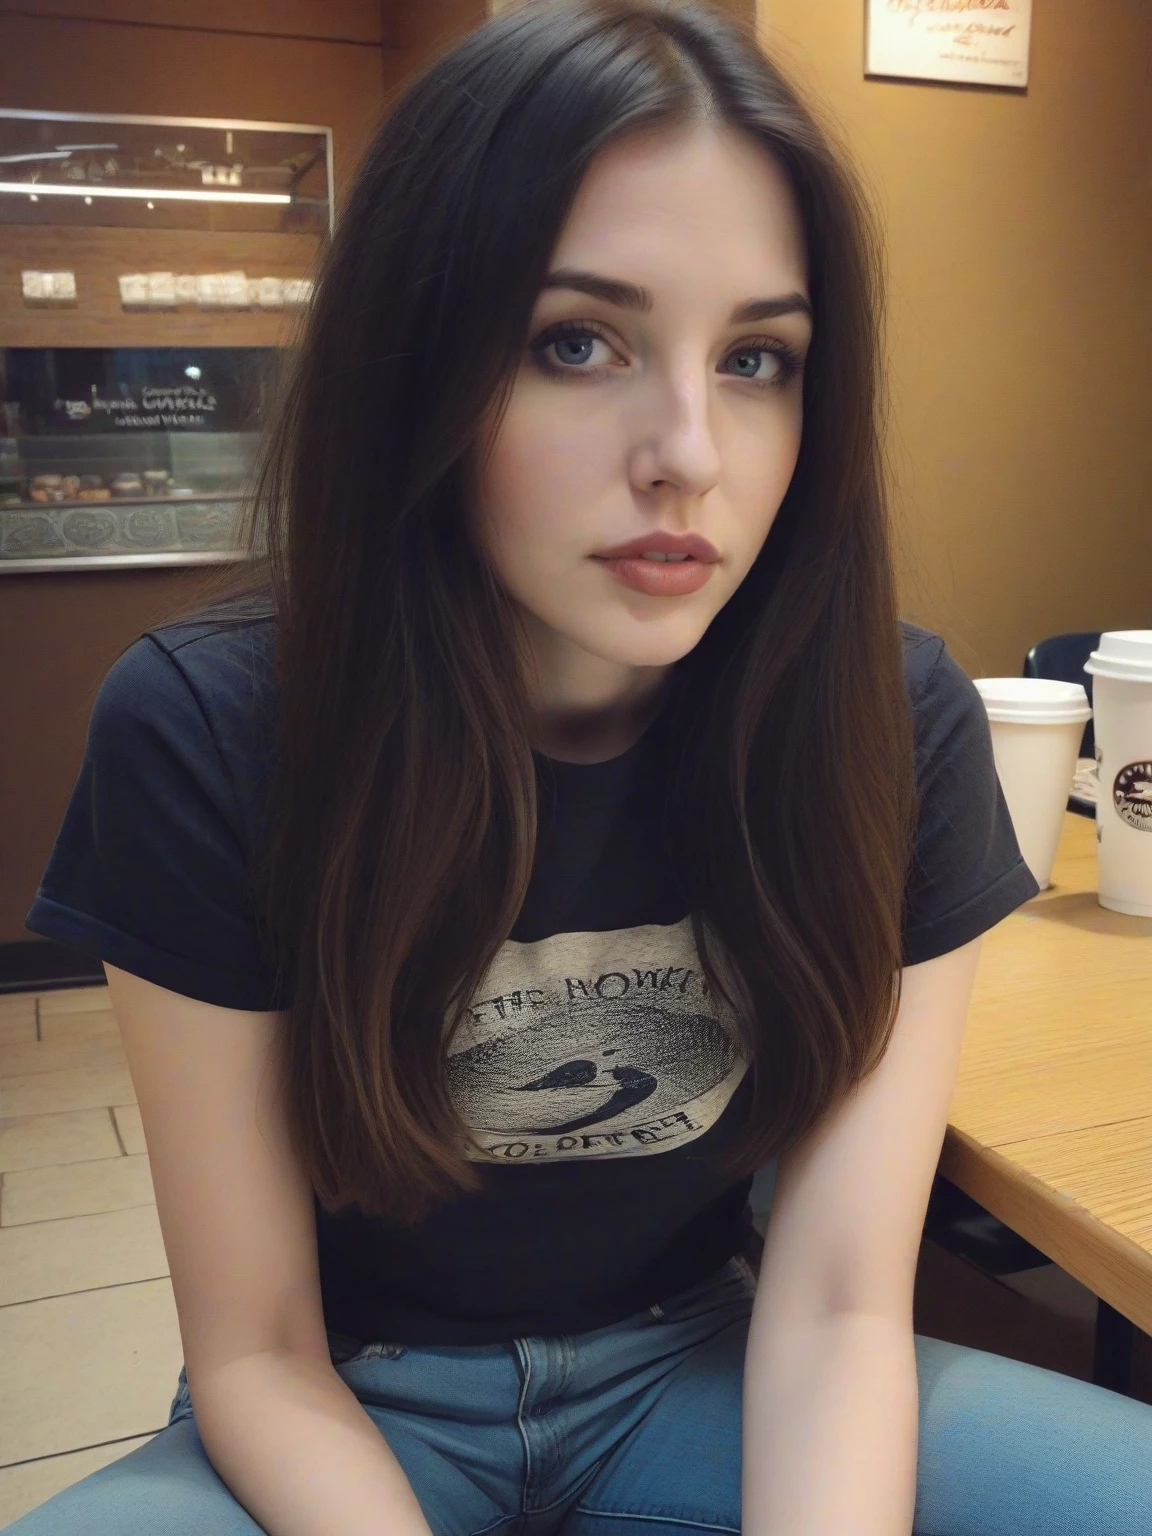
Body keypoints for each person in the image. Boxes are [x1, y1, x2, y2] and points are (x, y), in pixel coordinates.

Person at [9, 2, 1152, 1533]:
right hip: (346, 1398)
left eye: (757, 357)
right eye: (575, 343)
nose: (691, 451)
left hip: (709, 1362)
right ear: (417, 356)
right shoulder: (211, 725)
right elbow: (257, 1352)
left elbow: (837, 1307)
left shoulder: (888, 717)